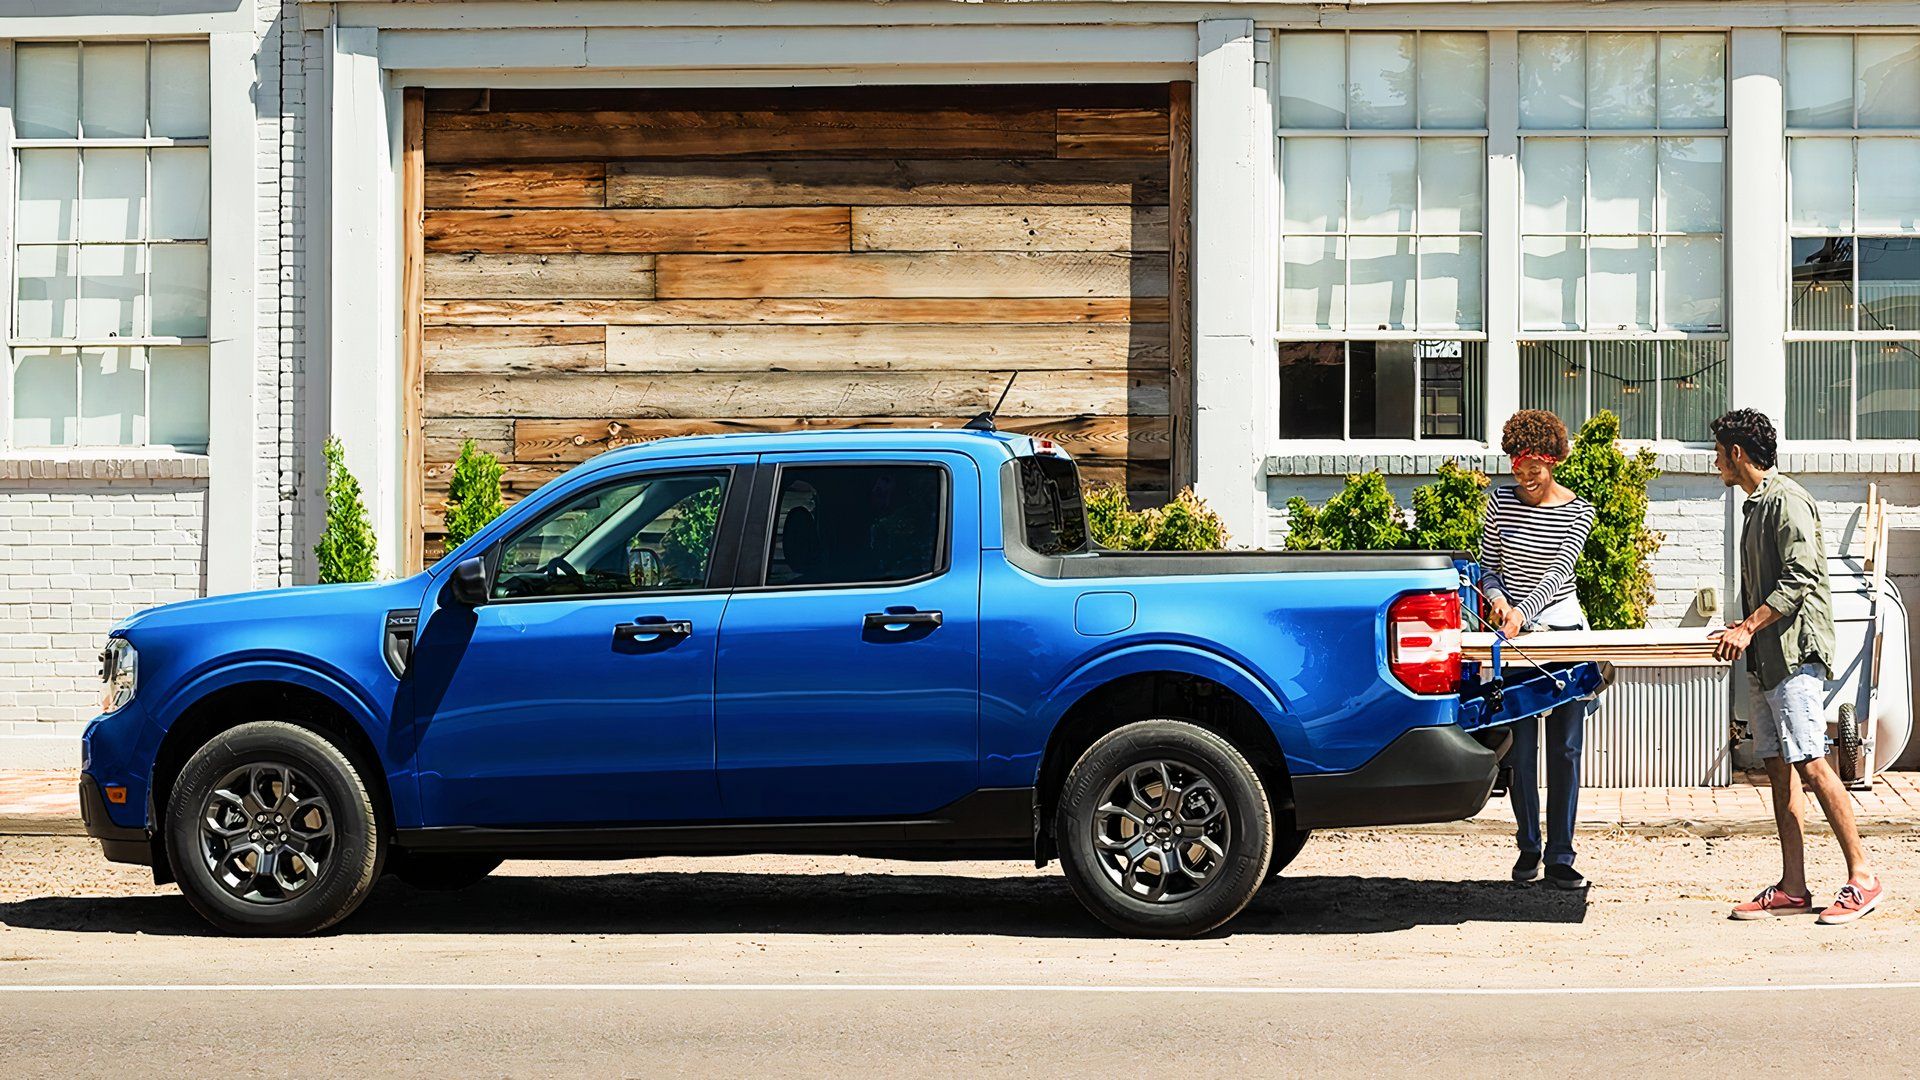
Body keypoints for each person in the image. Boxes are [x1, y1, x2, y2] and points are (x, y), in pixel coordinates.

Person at [1709, 408, 1884, 925]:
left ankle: (1864, 877)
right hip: (1768, 655)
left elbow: (1799, 578)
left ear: (1737, 454)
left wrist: (1745, 627)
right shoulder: (1755, 506)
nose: (1715, 461)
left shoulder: (1786, 500)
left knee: (1810, 761)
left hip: (1795, 653)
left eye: (1719, 452)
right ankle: (1793, 887)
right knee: (1778, 767)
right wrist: (1743, 630)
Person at [1480, 410, 1597, 890]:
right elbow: (1487, 567)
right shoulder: (1499, 501)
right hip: (1516, 638)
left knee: (1566, 749)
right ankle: (1528, 848)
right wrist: (1499, 599)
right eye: (1517, 470)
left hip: (1561, 634)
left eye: (1535, 472)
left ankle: (1561, 855)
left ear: (1553, 463)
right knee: (1520, 751)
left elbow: (1559, 573)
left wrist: (1522, 612)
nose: (1525, 480)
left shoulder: (1579, 510)